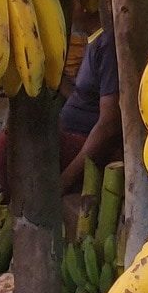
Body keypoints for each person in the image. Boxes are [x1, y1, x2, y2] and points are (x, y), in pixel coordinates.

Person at [58, 17, 122, 193]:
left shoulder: (107, 45)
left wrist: (65, 179)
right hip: (70, 133)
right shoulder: (92, 42)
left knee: (7, 146)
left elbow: (109, 124)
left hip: (83, 143)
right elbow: (86, 98)